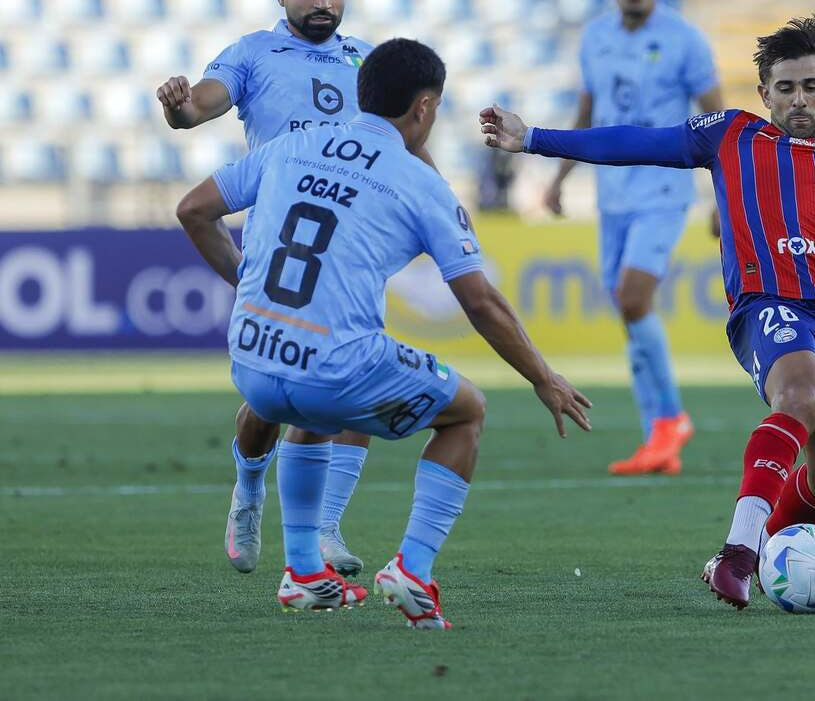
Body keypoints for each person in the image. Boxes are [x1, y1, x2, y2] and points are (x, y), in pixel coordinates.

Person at [481, 5, 815, 609]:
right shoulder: (732, 136)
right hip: (768, 305)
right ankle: (737, 554)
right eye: (784, 88)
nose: (798, 99)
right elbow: (637, 141)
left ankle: (763, 552)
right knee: (799, 395)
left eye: (810, 86)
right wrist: (534, 138)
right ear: (764, 94)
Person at [176, 37, 592, 627]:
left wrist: (250, 283)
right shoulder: (420, 183)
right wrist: (543, 378)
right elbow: (480, 302)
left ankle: (304, 572)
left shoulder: (289, 146)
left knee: (314, 408)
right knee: (466, 412)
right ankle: (413, 569)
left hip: (251, 359)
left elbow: (192, 209)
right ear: (424, 107)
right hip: (330, 367)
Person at [156, 0, 386, 576]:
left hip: (352, 248)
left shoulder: (368, 60)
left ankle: (326, 528)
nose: (323, 1)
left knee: (356, 384)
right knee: (271, 403)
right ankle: (249, 489)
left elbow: (400, 144)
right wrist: (178, 103)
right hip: (278, 251)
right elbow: (197, 107)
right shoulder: (254, 53)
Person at [542, 0, 723, 476]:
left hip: (664, 191)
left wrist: (724, 195)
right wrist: (560, 176)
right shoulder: (595, 38)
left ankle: (671, 418)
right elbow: (587, 113)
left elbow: (720, 123)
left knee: (634, 296)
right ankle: (657, 440)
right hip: (613, 195)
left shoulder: (686, 40)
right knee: (627, 310)